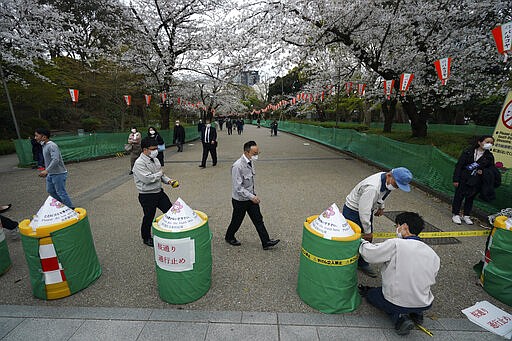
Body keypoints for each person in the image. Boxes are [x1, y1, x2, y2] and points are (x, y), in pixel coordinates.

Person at [358, 212, 440, 336]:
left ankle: (400, 319)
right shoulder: (433, 254)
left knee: (372, 295)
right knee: (406, 295)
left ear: (404, 227)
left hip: (397, 301)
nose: (396, 229)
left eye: (397, 226)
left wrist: (361, 242)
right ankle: (416, 314)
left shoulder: (396, 244)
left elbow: (370, 254)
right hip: (424, 302)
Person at [342, 167, 413, 277]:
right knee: (352, 239)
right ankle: (345, 265)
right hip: (353, 210)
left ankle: (362, 263)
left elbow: (382, 195)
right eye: (396, 184)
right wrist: (367, 231)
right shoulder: (373, 188)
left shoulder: (386, 180)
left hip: (366, 208)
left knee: (365, 239)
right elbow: (364, 212)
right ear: (389, 175)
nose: (397, 187)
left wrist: (381, 206)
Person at [225, 140, 280, 250]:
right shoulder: (237, 166)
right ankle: (229, 236)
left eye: (258, 153)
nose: (256, 156)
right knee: (237, 221)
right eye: (254, 154)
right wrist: (252, 197)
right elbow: (238, 187)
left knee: (258, 219)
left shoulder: (250, 161)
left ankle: (266, 242)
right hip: (240, 200)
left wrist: (252, 195)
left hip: (251, 197)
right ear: (246, 152)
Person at [132, 137, 178, 247]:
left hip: (159, 193)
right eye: (153, 149)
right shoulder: (139, 163)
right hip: (147, 195)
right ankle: (146, 237)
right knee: (149, 217)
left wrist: (169, 181)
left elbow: (161, 175)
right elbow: (147, 179)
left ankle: (173, 231)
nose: (155, 151)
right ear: (145, 149)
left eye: (156, 148)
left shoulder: (155, 159)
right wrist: (160, 174)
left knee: (171, 212)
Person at [451, 135, 495, 225]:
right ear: (480, 142)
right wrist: (456, 179)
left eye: (491, 143)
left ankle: (466, 215)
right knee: (459, 196)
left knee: (470, 198)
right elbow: (459, 166)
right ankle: (456, 214)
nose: (489, 144)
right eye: (487, 142)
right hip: (464, 178)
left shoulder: (489, 156)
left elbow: (491, 169)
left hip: (476, 180)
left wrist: (483, 172)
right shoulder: (468, 152)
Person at [34, 128, 74, 209]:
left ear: (44, 137)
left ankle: (71, 208)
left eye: (36, 136)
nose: (35, 137)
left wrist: (46, 170)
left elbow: (56, 160)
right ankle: (62, 205)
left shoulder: (52, 145)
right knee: (50, 191)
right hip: (51, 173)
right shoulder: (44, 145)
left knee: (61, 192)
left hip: (59, 173)